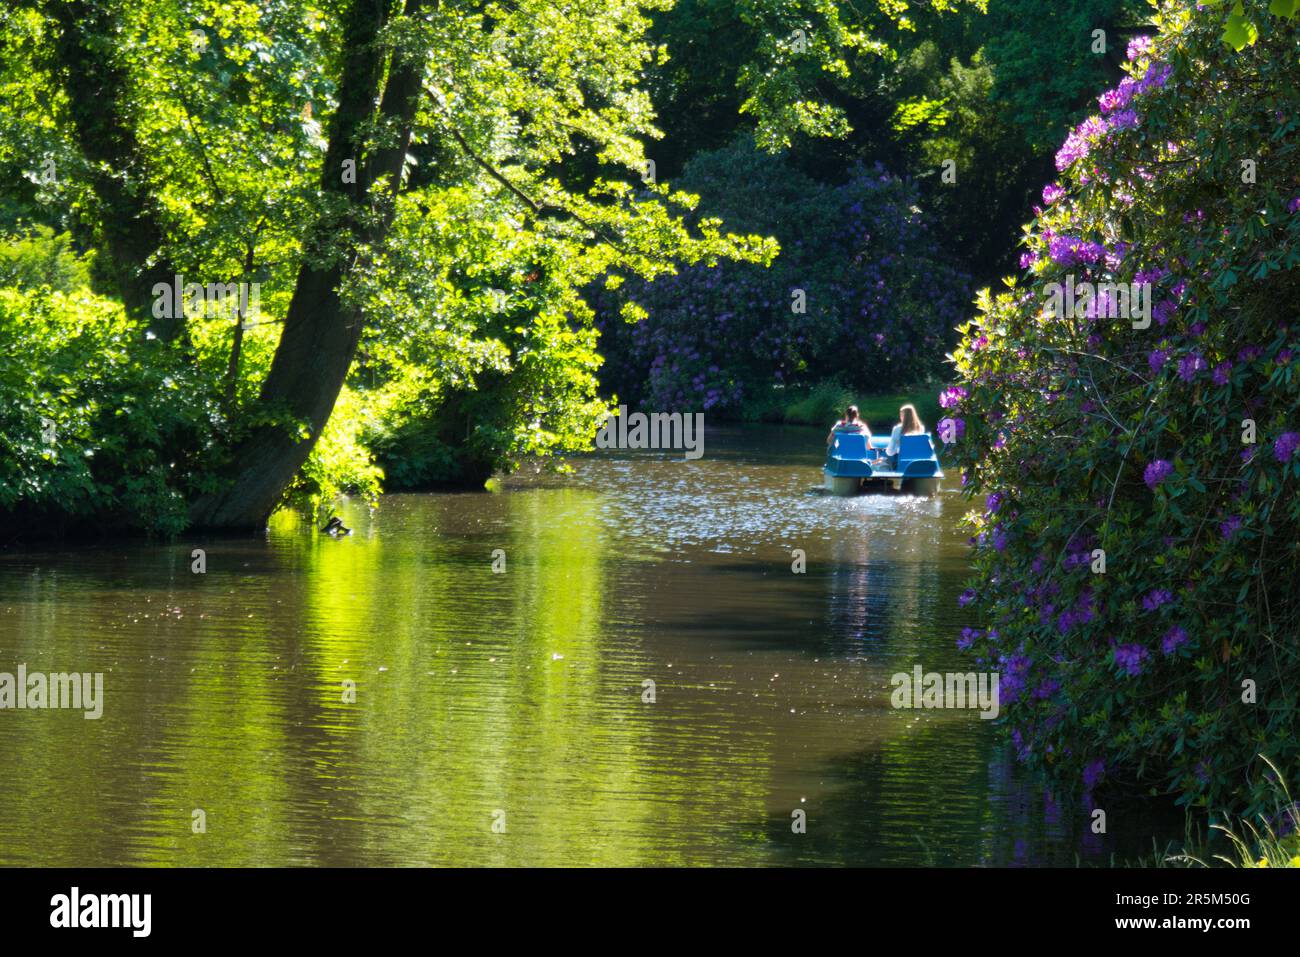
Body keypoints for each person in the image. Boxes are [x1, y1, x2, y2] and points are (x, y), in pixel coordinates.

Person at [882, 403, 926, 469]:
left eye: (901, 415)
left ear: (903, 416)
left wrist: (887, 450)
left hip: (901, 465)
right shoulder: (921, 429)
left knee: (883, 461)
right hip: (918, 463)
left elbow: (890, 452)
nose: (900, 417)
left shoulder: (897, 429)